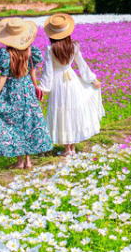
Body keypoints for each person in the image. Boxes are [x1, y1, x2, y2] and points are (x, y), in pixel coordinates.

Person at [0, 17, 53, 169]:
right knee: (28, 123)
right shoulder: (31, 50)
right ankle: (28, 161)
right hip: (27, 88)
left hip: (12, 90)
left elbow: (3, 77)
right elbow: (33, 72)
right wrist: (36, 88)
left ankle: (20, 162)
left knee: (14, 124)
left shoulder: (5, 53)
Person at [37, 13, 105, 156]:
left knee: (62, 113)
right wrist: (93, 80)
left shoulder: (51, 49)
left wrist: (42, 88)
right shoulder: (73, 46)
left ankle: (67, 149)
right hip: (72, 82)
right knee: (72, 111)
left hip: (58, 83)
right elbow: (82, 65)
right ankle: (72, 148)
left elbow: (48, 72)